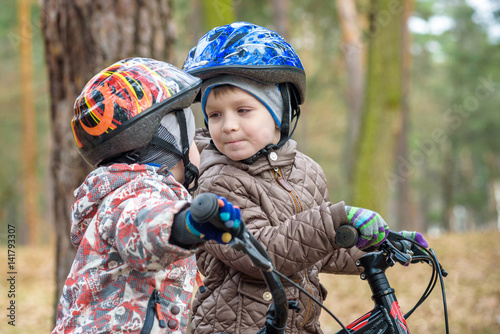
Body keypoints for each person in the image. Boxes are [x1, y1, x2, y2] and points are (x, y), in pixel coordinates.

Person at [183, 22, 427, 334]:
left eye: (243, 110)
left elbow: (317, 252)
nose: (227, 125)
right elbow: (262, 252)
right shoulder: (216, 180)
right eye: (215, 114)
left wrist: (379, 245)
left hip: (298, 324)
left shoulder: (306, 171)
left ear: (280, 114)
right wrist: (335, 219)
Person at [52, 57, 241, 334]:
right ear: (167, 146)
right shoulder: (138, 193)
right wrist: (186, 224)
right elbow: (141, 225)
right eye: (190, 139)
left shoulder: (115, 193)